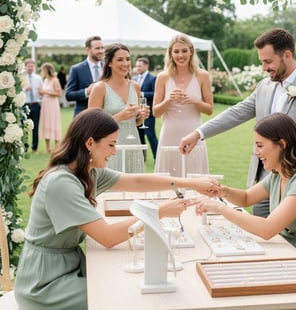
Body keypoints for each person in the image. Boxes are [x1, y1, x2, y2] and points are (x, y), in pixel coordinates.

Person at [14, 108, 220, 310]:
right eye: (111, 144)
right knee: (126, 294)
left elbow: (137, 182)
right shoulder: (62, 182)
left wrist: (191, 184)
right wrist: (160, 212)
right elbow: (108, 237)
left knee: (128, 282)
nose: (115, 151)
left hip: (68, 267)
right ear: (90, 143)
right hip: (44, 283)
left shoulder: (88, 172)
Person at [180, 28, 296, 217]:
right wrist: (198, 133)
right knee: (261, 238)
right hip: (264, 181)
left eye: (268, 62)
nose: (264, 67)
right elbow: (236, 112)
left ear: (287, 55)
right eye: (262, 62)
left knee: (288, 243)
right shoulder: (265, 86)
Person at [194, 112, 296, 281]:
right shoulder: (280, 173)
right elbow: (247, 198)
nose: (256, 152)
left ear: (282, 144)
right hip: (286, 253)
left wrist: (220, 208)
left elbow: (267, 229)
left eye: (260, 145)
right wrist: (223, 191)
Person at [153, 34, 213, 177]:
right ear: (171, 53)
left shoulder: (202, 76)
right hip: (169, 134)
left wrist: (195, 101)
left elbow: (209, 109)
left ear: (191, 51)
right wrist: (168, 100)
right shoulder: (163, 77)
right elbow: (155, 112)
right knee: (168, 179)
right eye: (176, 51)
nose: (181, 55)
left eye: (184, 51)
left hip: (193, 133)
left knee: (194, 176)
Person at [88, 43, 145, 173]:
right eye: (120, 60)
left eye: (128, 59)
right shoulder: (100, 88)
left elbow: (135, 122)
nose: (125, 63)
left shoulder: (135, 87)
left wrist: (140, 117)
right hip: (109, 147)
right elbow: (91, 125)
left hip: (133, 144)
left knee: (135, 188)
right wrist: (119, 116)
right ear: (109, 63)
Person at [65, 35, 104, 116]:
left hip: (105, 116)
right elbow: (69, 95)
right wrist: (86, 91)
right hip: (83, 116)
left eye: (102, 48)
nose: (101, 51)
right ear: (88, 50)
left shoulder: (108, 67)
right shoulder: (76, 69)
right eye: (97, 48)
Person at [134, 57, 159, 162]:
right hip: (138, 112)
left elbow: (156, 94)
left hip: (148, 112)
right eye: (137, 66)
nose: (137, 68)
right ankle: (142, 158)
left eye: (140, 66)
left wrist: (142, 94)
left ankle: (157, 157)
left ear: (146, 66)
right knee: (139, 137)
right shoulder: (134, 79)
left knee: (150, 135)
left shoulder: (152, 78)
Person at [39, 63, 63, 153]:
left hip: (52, 104)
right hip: (45, 104)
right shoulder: (45, 80)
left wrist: (46, 92)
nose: (42, 72)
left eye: (43, 70)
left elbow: (59, 93)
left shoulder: (55, 80)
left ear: (46, 70)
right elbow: (44, 92)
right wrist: (42, 92)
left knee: (54, 122)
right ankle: (47, 147)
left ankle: (57, 146)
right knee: (46, 123)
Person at [23, 59, 43, 153]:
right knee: (24, 127)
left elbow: (42, 91)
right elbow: (17, 92)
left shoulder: (38, 78)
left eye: (32, 66)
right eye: (29, 66)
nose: (30, 68)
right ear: (25, 67)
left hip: (35, 105)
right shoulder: (21, 77)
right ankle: (24, 148)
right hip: (25, 105)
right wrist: (24, 89)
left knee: (35, 127)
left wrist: (40, 96)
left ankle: (34, 148)